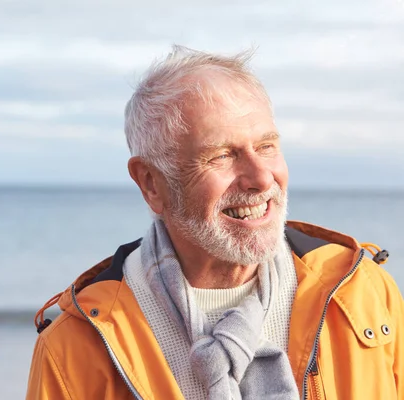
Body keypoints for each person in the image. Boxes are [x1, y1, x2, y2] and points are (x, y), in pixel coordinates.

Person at [25, 45, 402, 400]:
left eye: (266, 146)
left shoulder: (362, 292)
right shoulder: (74, 346)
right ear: (151, 183)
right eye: (222, 155)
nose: (261, 178)